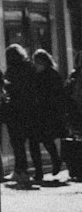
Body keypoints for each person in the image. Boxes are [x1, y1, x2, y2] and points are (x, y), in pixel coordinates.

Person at [3, 44, 37, 188]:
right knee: (29, 142)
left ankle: (20, 170)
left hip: (15, 110)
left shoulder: (11, 71)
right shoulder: (30, 68)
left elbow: (9, 89)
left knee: (17, 143)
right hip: (29, 109)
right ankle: (31, 170)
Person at [30, 49, 65, 182]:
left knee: (44, 140)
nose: (35, 64)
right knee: (42, 140)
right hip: (42, 113)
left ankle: (49, 165)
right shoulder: (50, 73)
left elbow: (55, 95)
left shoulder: (49, 75)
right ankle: (50, 164)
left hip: (45, 113)